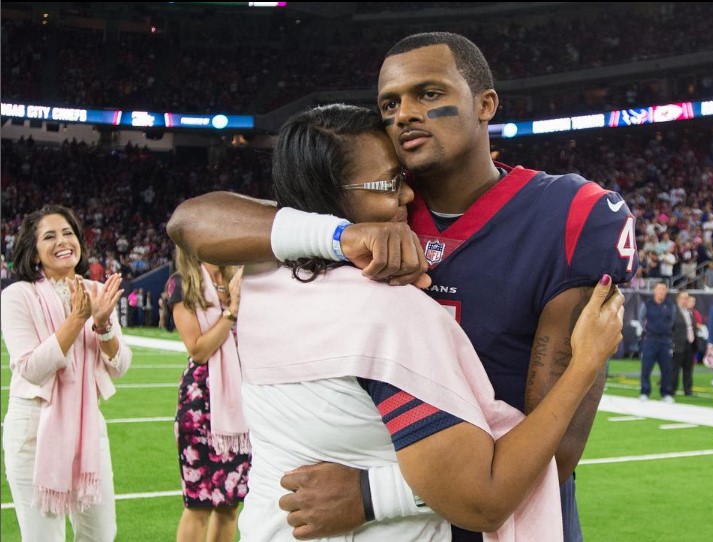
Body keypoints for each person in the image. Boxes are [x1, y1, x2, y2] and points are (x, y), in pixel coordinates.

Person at [167, 32, 638, 541]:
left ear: (486, 104)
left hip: (507, 518)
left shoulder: (571, 215)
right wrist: (344, 235)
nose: (404, 113)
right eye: (390, 102)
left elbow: (562, 450)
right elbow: (193, 222)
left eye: (429, 94)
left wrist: (374, 496)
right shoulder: (367, 204)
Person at [1, 204, 131, 541]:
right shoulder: (18, 295)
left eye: (68, 232)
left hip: (87, 427)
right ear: (34, 252)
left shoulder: (95, 291)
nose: (62, 241)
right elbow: (30, 368)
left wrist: (102, 325)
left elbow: (120, 367)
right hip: (33, 429)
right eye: (49, 236)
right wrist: (76, 320)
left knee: (101, 534)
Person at [166, 246, 251, 541]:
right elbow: (198, 350)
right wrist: (231, 311)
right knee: (199, 504)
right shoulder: (182, 283)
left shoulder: (241, 278)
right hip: (201, 402)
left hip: (240, 400)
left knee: (230, 505)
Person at [638, 282, 675, 402]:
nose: (661, 291)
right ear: (655, 290)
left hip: (665, 340)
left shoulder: (670, 305)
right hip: (650, 339)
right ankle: (645, 391)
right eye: (659, 289)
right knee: (646, 367)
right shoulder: (647, 304)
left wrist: (666, 329)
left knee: (666, 368)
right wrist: (648, 330)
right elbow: (641, 318)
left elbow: (672, 320)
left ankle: (665, 393)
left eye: (664, 289)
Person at [671, 289, 696, 396]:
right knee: (675, 369)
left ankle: (688, 389)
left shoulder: (689, 312)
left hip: (689, 344)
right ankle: (672, 389)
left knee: (688, 368)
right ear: (678, 299)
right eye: (683, 298)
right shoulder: (674, 312)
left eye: (687, 298)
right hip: (678, 344)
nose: (685, 301)